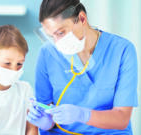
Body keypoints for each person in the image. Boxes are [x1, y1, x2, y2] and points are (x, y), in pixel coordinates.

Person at [27, 0, 138, 134]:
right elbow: (44, 108)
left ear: (81, 18)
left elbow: (122, 118)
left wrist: (83, 115)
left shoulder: (122, 50)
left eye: (61, 33)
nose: (57, 43)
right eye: (51, 36)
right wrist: (45, 122)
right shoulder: (47, 53)